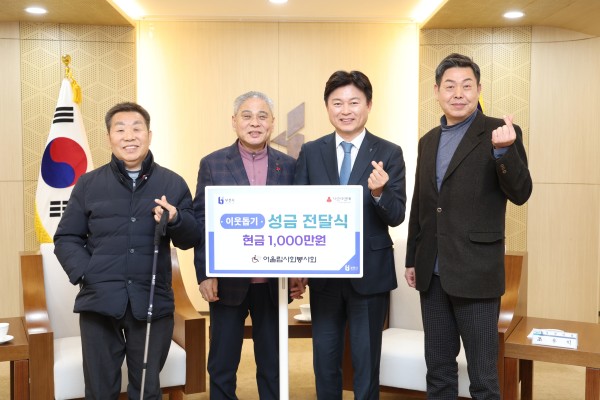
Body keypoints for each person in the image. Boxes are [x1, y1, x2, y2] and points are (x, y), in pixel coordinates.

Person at [404, 53, 533, 399]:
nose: (458, 93)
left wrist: (504, 153)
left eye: (466, 85)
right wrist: (412, 258)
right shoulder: (428, 140)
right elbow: (421, 203)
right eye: (449, 86)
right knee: (439, 371)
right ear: (436, 91)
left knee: (483, 378)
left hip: (476, 273)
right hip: (432, 274)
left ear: (479, 89)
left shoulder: (500, 132)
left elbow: (521, 193)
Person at [54, 102, 200, 399]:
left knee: (146, 389)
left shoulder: (172, 183)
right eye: (120, 130)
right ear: (109, 137)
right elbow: (66, 237)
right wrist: (87, 273)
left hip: (152, 301)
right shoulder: (89, 184)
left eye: (137, 129)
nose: (129, 136)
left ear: (149, 135)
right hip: (99, 303)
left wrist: (175, 219)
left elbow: (191, 238)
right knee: (99, 390)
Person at [294, 70, 406, 399]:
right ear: (327, 107)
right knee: (325, 359)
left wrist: (380, 193)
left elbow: (397, 215)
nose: (346, 110)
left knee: (366, 362)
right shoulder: (311, 151)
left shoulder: (389, 152)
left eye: (354, 102)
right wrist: (299, 266)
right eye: (337, 103)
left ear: (368, 105)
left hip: (370, 274)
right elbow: (299, 211)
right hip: (325, 275)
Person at [193, 91, 304, 400]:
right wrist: (205, 273)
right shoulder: (213, 164)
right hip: (227, 282)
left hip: (274, 283)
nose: (255, 123)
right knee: (222, 363)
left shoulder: (289, 165)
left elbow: (297, 219)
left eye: (262, 116)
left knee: (273, 364)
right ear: (234, 121)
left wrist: (299, 272)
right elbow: (202, 221)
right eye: (247, 116)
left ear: (272, 123)